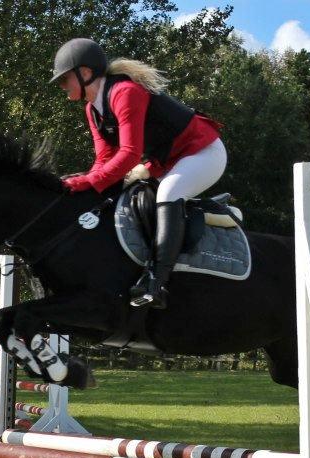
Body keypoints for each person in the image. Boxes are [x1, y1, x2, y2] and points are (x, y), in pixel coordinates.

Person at [49, 38, 226, 309]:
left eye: (64, 80)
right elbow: (104, 159)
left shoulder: (125, 92)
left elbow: (130, 154)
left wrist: (88, 182)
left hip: (202, 152)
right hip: (167, 162)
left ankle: (157, 282)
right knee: (129, 199)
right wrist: (86, 185)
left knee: (168, 193)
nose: (62, 87)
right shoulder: (92, 109)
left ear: (85, 74)